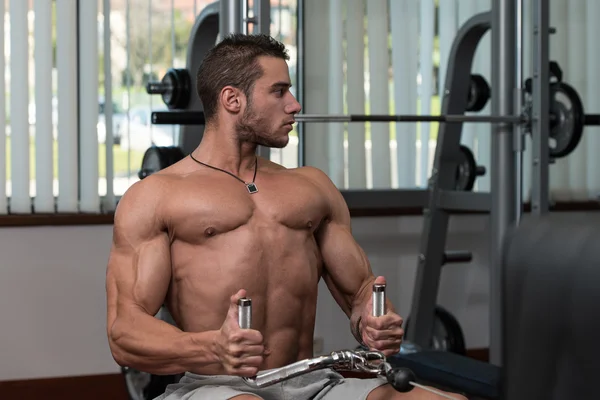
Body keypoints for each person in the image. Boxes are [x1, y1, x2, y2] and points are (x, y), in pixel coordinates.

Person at [105, 33, 466, 400]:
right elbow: (125, 331)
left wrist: (373, 323)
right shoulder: (156, 196)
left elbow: (358, 291)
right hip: (217, 387)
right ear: (232, 99)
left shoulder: (311, 187)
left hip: (311, 381)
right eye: (279, 92)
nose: (294, 105)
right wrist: (212, 347)